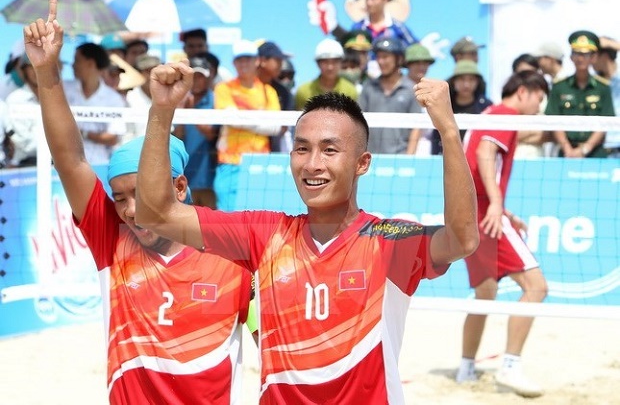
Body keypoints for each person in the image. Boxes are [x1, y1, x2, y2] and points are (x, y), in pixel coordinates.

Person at [134, 52, 479, 402]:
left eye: (330, 150)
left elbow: (462, 239)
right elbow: (155, 214)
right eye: (302, 148)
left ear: (362, 163)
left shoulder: (386, 241)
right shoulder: (264, 234)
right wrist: (161, 112)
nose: (313, 164)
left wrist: (449, 131)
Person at [23, 0, 253, 404]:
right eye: (119, 198)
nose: (130, 211)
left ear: (180, 188)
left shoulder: (232, 256)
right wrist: (47, 72)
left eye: (144, 195)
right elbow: (69, 158)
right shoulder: (112, 238)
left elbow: (279, 353)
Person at [456, 71, 550, 398]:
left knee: (485, 293)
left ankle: (466, 369)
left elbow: (475, 163)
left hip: (468, 212)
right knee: (536, 287)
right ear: (524, 91)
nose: (539, 107)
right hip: (483, 212)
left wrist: (502, 209)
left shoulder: (489, 114)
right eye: (539, 98)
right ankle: (510, 366)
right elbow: (484, 153)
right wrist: (497, 204)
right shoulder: (506, 115)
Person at [213, 39, 282, 211]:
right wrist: (261, 120)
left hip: (260, 163)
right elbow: (230, 119)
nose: (243, 63)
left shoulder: (268, 91)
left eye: (248, 58)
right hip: (230, 161)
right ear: (234, 63)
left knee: (257, 222)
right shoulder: (223, 88)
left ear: (257, 60)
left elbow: (275, 127)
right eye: (239, 59)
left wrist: (242, 118)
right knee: (227, 223)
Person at [546, 30, 615, 158]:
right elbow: (553, 118)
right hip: (566, 153)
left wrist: (585, 149)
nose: (580, 58)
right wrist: (567, 148)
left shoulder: (603, 88)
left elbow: (606, 121)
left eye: (586, 54)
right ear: (571, 57)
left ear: (593, 57)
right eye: (576, 53)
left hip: (595, 154)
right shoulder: (559, 86)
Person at [64, 42, 126, 165]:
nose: (73, 65)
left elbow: (113, 137)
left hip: (98, 164)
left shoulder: (113, 99)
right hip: (65, 162)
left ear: (90, 64)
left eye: (77, 60)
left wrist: (82, 133)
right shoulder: (64, 89)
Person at [359, 37, 422, 154]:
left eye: (385, 57)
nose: (381, 61)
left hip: (400, 159)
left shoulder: (411, 89)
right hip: (370, 160)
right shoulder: (368, 87)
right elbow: (358, 123)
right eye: (378, 57)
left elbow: (416, 128)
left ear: (399, 59)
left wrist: (409, 159)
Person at [175, 52, 220, 208]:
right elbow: (178, 136)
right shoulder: (179, 99)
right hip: (185, 171)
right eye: (193, 76)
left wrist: (191, 110)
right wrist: (182, 111)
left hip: (209, 172)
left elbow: (210, 134)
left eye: (201, 76)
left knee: (211, 222)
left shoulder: (215, 99)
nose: (196, 80)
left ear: (208, 77)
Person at [432, 60, 492, 154]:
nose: (466, 84)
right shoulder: (444, 104)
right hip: (446, 156)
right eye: (462, 79)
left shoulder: (487, 107)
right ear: (454, 81)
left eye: (471, 79)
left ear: (477, 82)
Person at [295, 38, 358, 110]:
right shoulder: (303, 92)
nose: (330, 67)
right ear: (318, 63)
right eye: (325, 62)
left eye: (334, 61)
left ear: (341, 62)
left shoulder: (350, 91)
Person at [592, 36, 620, 158]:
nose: (590, 60)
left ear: (604, 55)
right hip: (598, 151)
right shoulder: (591, 84)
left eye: (593, 54)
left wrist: (612, 44)